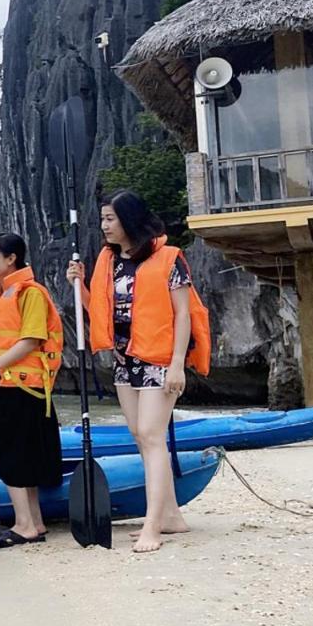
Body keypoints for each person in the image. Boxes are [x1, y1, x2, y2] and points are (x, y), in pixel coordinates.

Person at [68, 190, 210, 554]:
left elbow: (183, 315)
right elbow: (102, 310)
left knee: (151, 434)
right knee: (139, 434)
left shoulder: (169, 258)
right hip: (124, 359)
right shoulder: (109, 259)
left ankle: (152, 526)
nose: (104, 226)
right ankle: (171, 516)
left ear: (129, 219)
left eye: (111, 219)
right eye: (102, 219)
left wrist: (178, 364)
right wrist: (80, 286)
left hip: (159, 357)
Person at [0, 234, 63, 548]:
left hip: (24, 384)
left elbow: (31, 339)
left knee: (13, 454)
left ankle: (24, 525)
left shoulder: (30, 293)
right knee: (17, 452)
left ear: (12, 258)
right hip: (5, 383)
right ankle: (34, 521)